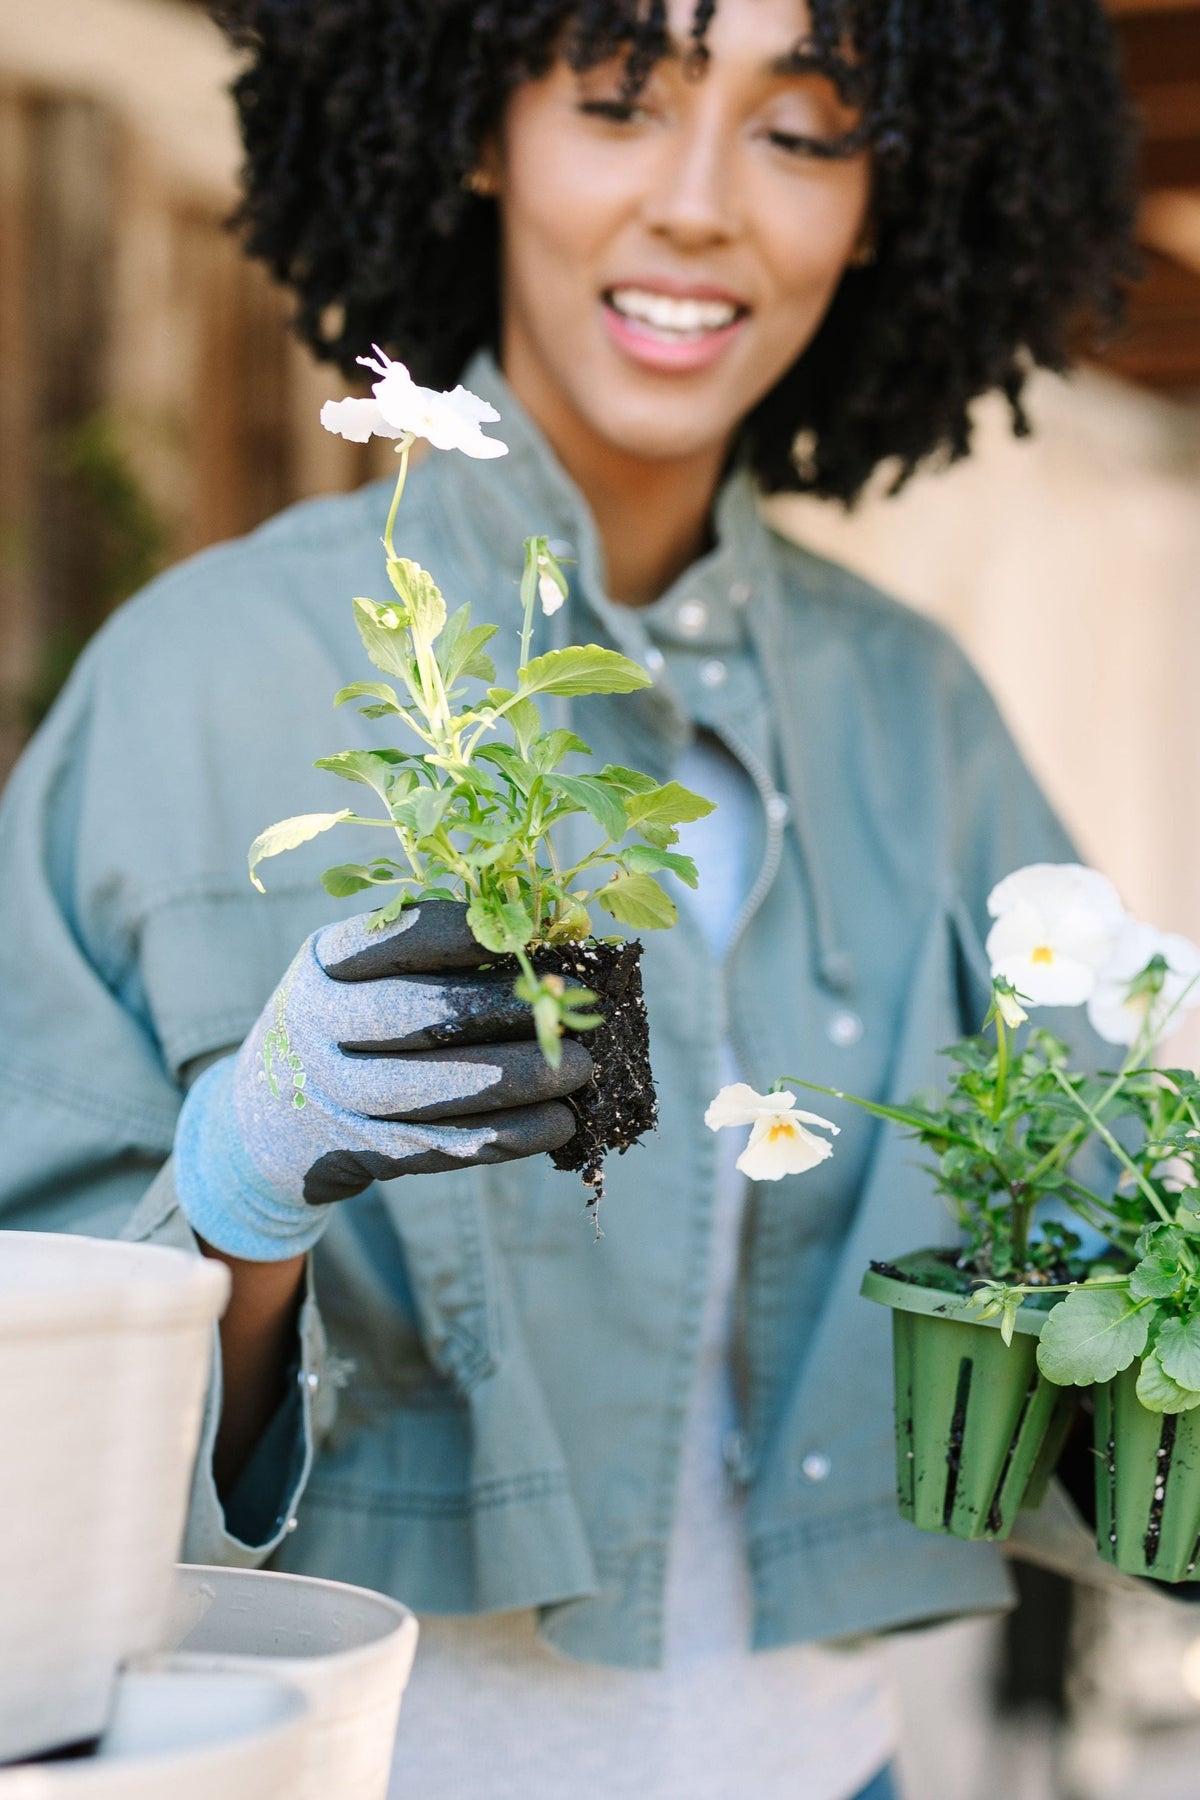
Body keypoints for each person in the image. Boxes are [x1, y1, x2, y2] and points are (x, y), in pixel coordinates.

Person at [0, 1, 1137, 1795]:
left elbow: (1106, 1277)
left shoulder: (921, 716)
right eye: (622, 101)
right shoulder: (193, 683)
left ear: (886, 195)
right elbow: (28, 1433)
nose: (700, 205)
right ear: (474, 126)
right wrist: (234, 1190)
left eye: (802, 128)